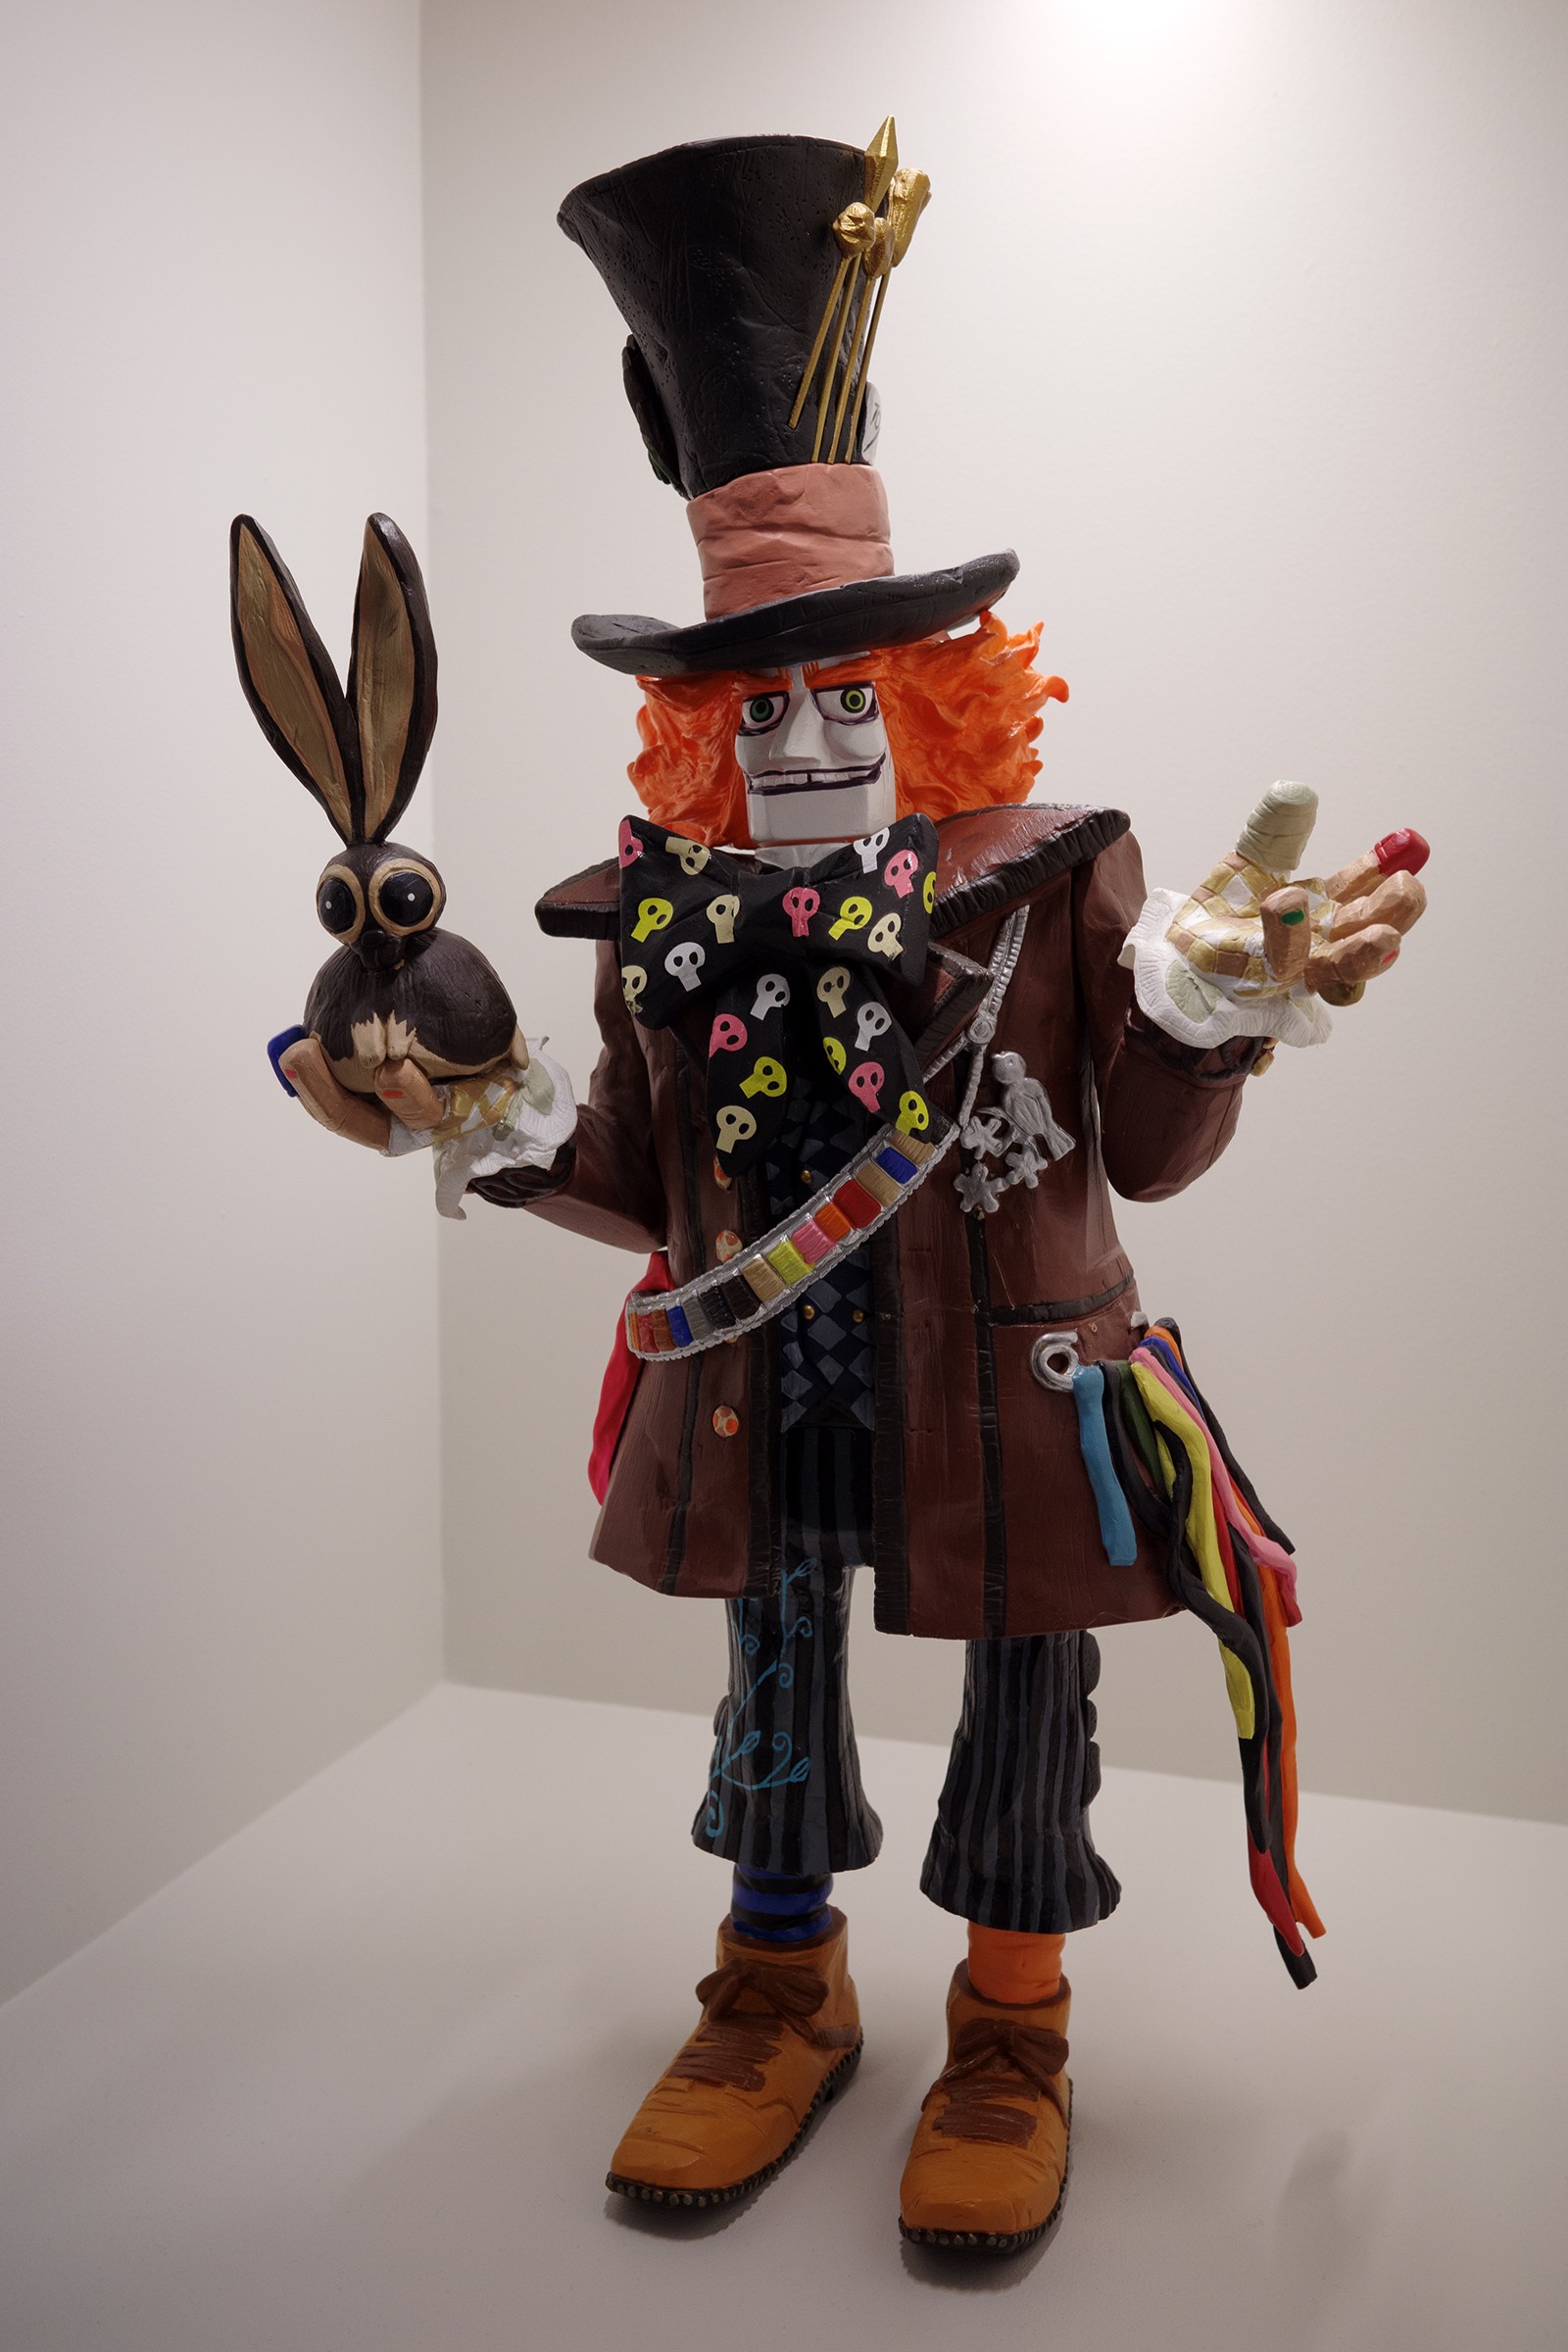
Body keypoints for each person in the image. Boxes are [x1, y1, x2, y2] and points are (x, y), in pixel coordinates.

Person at [263, 127, 1424, 2256]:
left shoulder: (1054, 884)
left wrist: (1206, 1009)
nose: (805, 737)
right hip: (763, 1382)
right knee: (774, 1666)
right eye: (762, 698)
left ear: (931, 695)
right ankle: (776, 1989)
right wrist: (472, 1112)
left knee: (1025, 1690)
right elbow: (639, 1184)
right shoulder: (659, 924)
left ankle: (1012, 2023)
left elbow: (1148, 1157)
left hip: (1014, 1384)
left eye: (848, 691)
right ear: (704, 727)